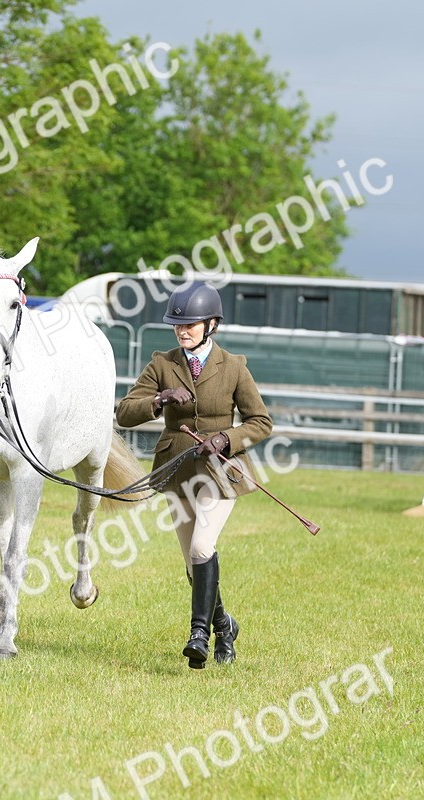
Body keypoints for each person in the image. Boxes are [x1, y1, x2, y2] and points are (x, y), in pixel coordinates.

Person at [115, 282, 273, 670]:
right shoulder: (162, 364)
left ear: (211, 324)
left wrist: (226, 438)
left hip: (221, 472)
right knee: (192, 564)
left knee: (202, 548)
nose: (182, 331)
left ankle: (198, 634)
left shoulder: (234, 366)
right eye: (177, 325)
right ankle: (224, 625)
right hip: (178, 470)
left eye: (190, 324)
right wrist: (159, 401)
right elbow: (125, 413)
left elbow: (260, 421)